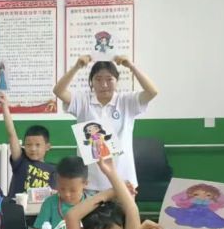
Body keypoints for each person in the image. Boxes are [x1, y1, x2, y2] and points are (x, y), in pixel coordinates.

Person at [54, 55, 159, 190]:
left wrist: (131, 66)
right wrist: (76, 67)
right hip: (90, 182)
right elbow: (58, 91)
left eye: (109, 79)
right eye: (98, 79)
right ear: (91, 81)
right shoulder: (83, 101)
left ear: (117, 81)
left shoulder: (126, 101)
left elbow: (152, 92)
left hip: (123, 180)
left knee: (125, 205)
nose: (104, 85)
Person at [0, 89, 55, 197]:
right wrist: (4, 106)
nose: (33, 148)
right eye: (28, 145)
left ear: (47, 147)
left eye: (38, 145)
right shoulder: (21, 160)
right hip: (15, 206)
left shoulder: (53, 170)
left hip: (39, 207)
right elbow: (12, 133)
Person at [32, 156, 92, 229]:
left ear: (85, 184)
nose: (67, 194)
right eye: (62, 188)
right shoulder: (50, 204)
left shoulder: (92, 204)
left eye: (73, 190)